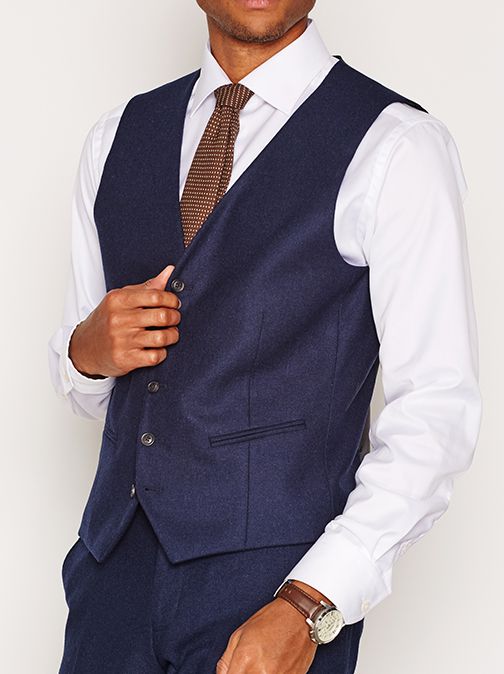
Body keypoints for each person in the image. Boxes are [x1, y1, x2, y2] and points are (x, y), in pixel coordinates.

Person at [48, 1, 482, 672]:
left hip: (275, 596)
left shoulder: (395, 144)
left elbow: (436, 410)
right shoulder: (117, 136)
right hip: (112, 585)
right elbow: (97, 396)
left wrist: (312, 603)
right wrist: (85, 354)